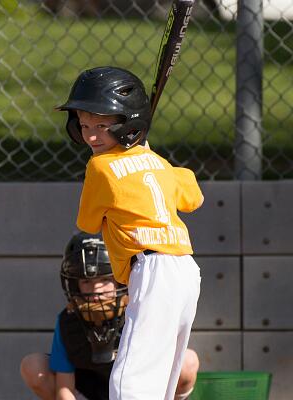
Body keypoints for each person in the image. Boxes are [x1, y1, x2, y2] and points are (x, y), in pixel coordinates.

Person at [56, 67, 204, 400]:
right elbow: (193, 198)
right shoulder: (158, 163)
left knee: (131, 378)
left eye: (102, 126)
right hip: (184, 269)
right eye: (85, 126)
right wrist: (149, 158)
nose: (92, 137)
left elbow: (88, 224)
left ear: (128, 124)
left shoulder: (99, 166)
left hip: (152, 269)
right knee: (162, 372)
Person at [20, 232, 200, 400]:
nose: (96, 290)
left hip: (139, 389)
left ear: (120, 280)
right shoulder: (69, 321)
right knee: (33, 366)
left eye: (105, 279)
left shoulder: (141, 311)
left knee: (188, 362)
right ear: (74, 285)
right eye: (86, 281)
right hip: (89, 391)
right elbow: (64, 388)